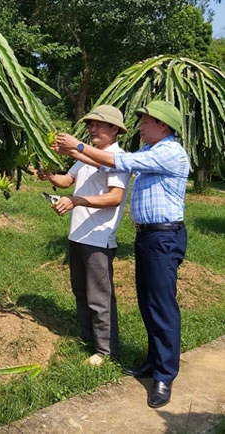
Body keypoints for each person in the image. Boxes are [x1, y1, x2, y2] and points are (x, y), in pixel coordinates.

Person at [54, 100, 189, 409]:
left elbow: (120, 164)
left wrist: (79, 145)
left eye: (146, 121)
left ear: (164, 126)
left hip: (164, 236)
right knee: (148, 303)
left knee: (162, 306)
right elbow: (109, 163)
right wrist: (73, 151)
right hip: (149, 236)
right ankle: (153, 362)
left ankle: (165, 374)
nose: (140, 125)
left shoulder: (169, 152)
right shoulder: (148, 152)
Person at [38, 105, 130, 367]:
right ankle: (88, 338)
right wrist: (49, 176)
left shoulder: (117, 158)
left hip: (99, 237)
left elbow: (115, 197)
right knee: (80, 291)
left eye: (100, 125)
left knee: (99, 296)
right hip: (78, 234)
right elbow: (68, 180)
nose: (93, 129)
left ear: (114, 129)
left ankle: (107, 351)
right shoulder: (88, 155)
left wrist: (76, 201)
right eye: (91, 124)